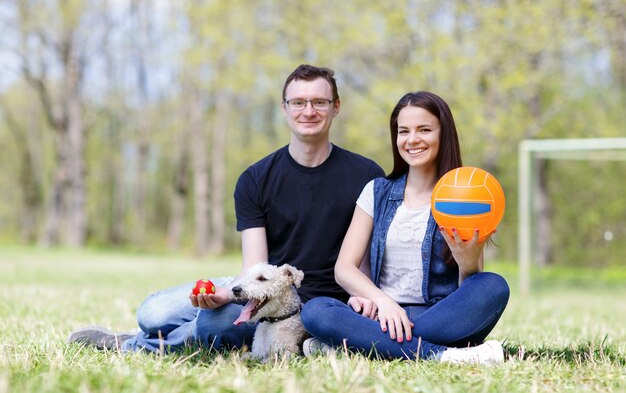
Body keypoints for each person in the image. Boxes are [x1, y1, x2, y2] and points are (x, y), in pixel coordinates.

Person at [67, 64, 384, 353]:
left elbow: (367, 256)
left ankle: (134, 345)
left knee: (214, 326)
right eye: (298, 102)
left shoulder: (366, 175)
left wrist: (365, 297)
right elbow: (255, 266)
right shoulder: (255, 179)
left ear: (336, 107)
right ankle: (149, 336)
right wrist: (228, 294)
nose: (308, 110)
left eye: (320, 102)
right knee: (152, 313)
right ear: (284, 108)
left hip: (322, 304)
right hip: (266, 293)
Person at [300, 91, 510, 364]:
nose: (412, 140)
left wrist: (468, 265)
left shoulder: (464, 194)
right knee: (316, 311)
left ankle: (359, 344)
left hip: (440, 316)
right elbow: (344, 269)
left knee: (492, 286)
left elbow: (468, 290)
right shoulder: (377, 192)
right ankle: (443, 355)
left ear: (443, 134)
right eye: (403, 131)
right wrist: (381, 300)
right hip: (383, 316)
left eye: (424, 130)